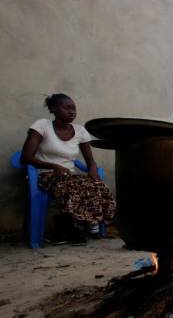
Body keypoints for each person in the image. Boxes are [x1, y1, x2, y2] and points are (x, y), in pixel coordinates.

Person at [20, 94, 116, 245]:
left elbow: (90, 161)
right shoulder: (42, 126)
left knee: (98, 186)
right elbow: (25, 158)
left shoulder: (80, 131)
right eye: (67, 108)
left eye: (74, 109)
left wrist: (93, 171)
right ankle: (74, 228)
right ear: (53, 109)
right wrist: (53, 166)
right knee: (69, 184)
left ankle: (89, 224)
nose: (72, 112)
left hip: (70, 175)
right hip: (45, 174)